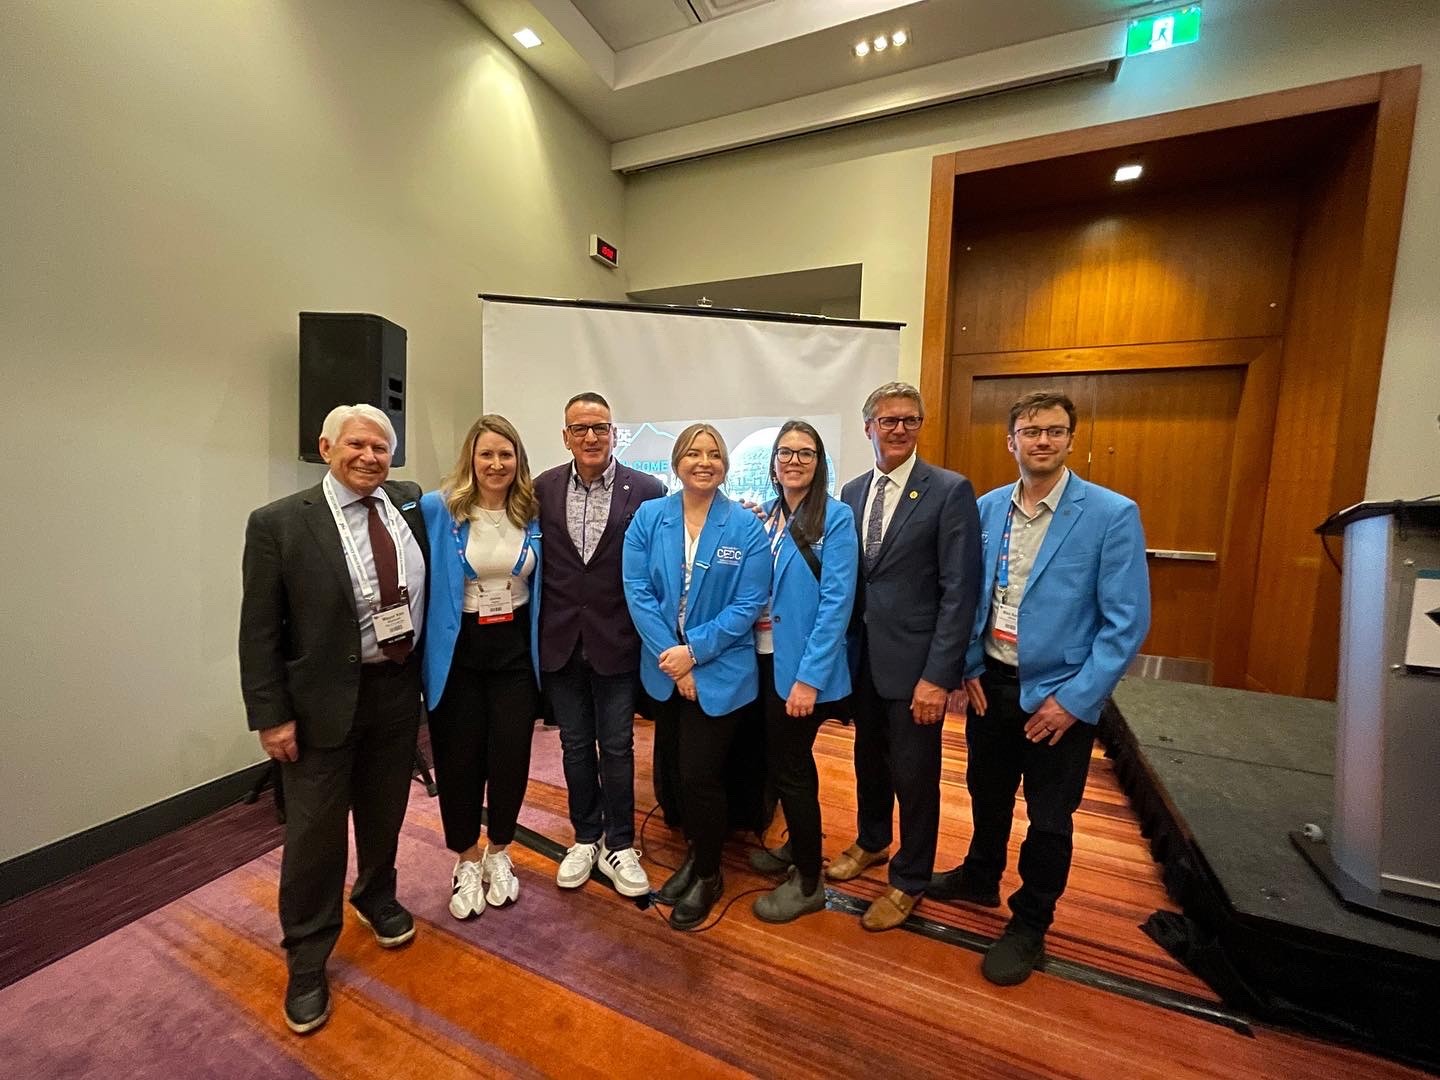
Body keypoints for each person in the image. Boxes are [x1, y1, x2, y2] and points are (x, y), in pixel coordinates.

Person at [930, 390, 1150, 985]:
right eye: (1031, 431)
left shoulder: (1110, 514)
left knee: (1050, 818)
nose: (1042, 441)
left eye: (1054, 431)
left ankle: (1030, 922)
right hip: (991, 685)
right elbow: (974, 595)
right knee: (987, 793)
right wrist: (969, 665)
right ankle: (980, 876)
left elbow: (1126, 622)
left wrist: (1075, 701)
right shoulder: (988, 508)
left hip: (1059, 697)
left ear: (1070, 440)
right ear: (1012, 441)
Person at [239, 403, 427, 1035]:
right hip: (319, 704)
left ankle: (376, 894)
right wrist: (271, 717)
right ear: (326, 447)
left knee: (384, 811)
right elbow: (258, 631)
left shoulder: (407, 502)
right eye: (357, 445)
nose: (370, 456)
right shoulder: (279, 525)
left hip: (396, 693)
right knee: (315, 834)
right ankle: (308, 954)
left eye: (380, 447)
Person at [829, 381, 981, 932]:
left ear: (920, 426)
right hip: (861, 661)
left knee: (916, 776)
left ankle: (910, 878)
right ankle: (872, 839)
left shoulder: (947, 490)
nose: (898, 429)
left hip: (917, 668)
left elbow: (960, 591)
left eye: (909, 421)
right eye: (888, 420)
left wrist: (939, 676)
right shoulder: (849, 492)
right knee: (867, 760)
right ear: (868, 426)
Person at [623, 423, 770, 930]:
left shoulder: (745, 526)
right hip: (666, 667)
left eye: (714, 455)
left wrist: (695, 654)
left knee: (701, 776)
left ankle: (709, 873)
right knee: (679, 773)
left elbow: (749, 603)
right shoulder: (649, 516)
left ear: (726, 465)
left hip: (722, 669)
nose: (704, 462)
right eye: (693, 453)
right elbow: (637, 591)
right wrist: (673, 655)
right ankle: (695, 856)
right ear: (677, 463)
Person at [534, 392, 665, 898]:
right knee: (572, 745)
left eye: (601, 427)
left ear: (615, 433)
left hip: (618, 639)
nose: (591, 437)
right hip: (562, 640)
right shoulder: (541, 489)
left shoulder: (648, 489)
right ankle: (585, 837)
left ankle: (622, 843)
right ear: (565, 436)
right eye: (580, 428)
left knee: (617, 745)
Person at [421, 415, 542, 922]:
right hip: (458, 652)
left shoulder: (532, 512)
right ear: (471, 458)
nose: (496, 464)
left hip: (514, 650)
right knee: (459, 760)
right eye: (486, 454)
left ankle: (499, 852)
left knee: (511, 758)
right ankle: (466, 857)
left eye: (506, 454)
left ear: (519, 461)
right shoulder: (438, 508)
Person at [748, 421, 858, 923]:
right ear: (773, 462)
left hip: (801, 669)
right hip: (763, 659)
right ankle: (798, 847)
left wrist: (809, 678)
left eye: (805, 453)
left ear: (820, 463)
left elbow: (837, 603)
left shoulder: (835, 518)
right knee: (778, 766)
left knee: (792, 771)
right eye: (785, 453)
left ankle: (810, 880)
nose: (794, 461)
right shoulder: (766, 517)